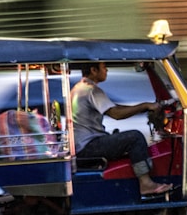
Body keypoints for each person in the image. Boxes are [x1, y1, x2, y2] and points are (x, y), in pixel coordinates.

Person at [70, 62, 172, 196]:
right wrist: (144, 105)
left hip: (83, 145)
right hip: (89, 146)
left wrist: (145, 107)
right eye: (103, 67)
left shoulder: (80, 88)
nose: (106, 70)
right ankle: (146, 183)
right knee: (135, 138)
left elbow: (113, 107)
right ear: (93, 70)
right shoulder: (91, 90)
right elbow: (116, 114)